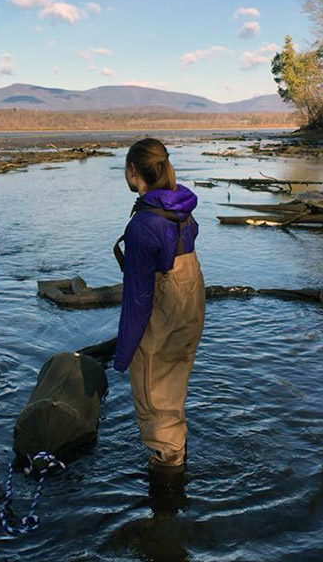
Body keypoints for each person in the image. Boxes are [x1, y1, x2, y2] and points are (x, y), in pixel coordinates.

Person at [113, 138, 205, 472]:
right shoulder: (182, 208)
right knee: (173, 391)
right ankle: (179, 458)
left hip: (163, 317)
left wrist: (123, 354)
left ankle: (166, 497)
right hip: (191, 310)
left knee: (154, 400)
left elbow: (137, 299)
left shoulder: (143, 225)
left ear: (133, 170)